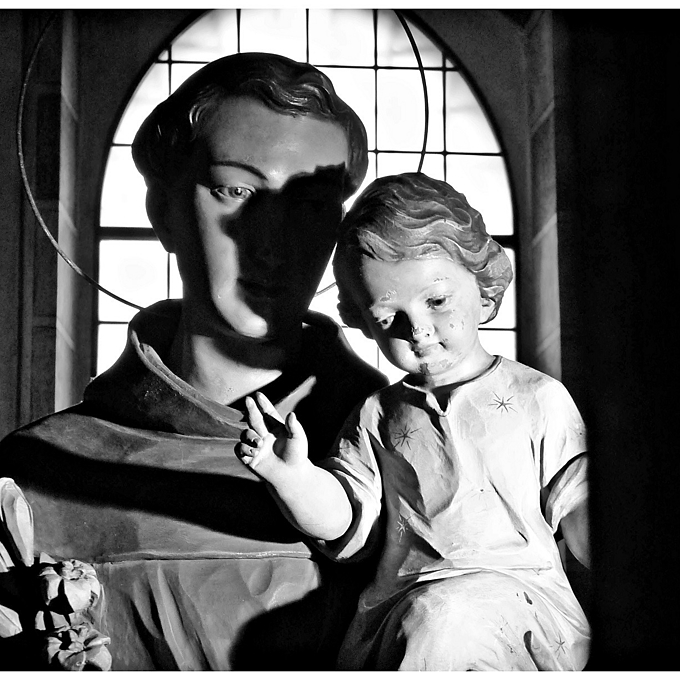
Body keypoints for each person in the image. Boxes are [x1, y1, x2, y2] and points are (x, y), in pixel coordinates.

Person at [0, 53, 387, 670]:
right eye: (235, 191)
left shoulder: (403, 454)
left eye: (311, 204)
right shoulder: (35, 474)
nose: (271, 242)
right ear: (163, 211)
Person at [236, 172, 591, 671]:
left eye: (437, 301)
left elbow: (580, 509)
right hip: (405, 605)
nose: (418, 330)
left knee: (448, 619)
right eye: (388, 318)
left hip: (523, 600)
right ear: (363, 322)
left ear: (483, 286)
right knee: (433, 620)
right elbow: (349, 525)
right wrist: (292, 478)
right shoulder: (376, 414)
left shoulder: (538, 397)